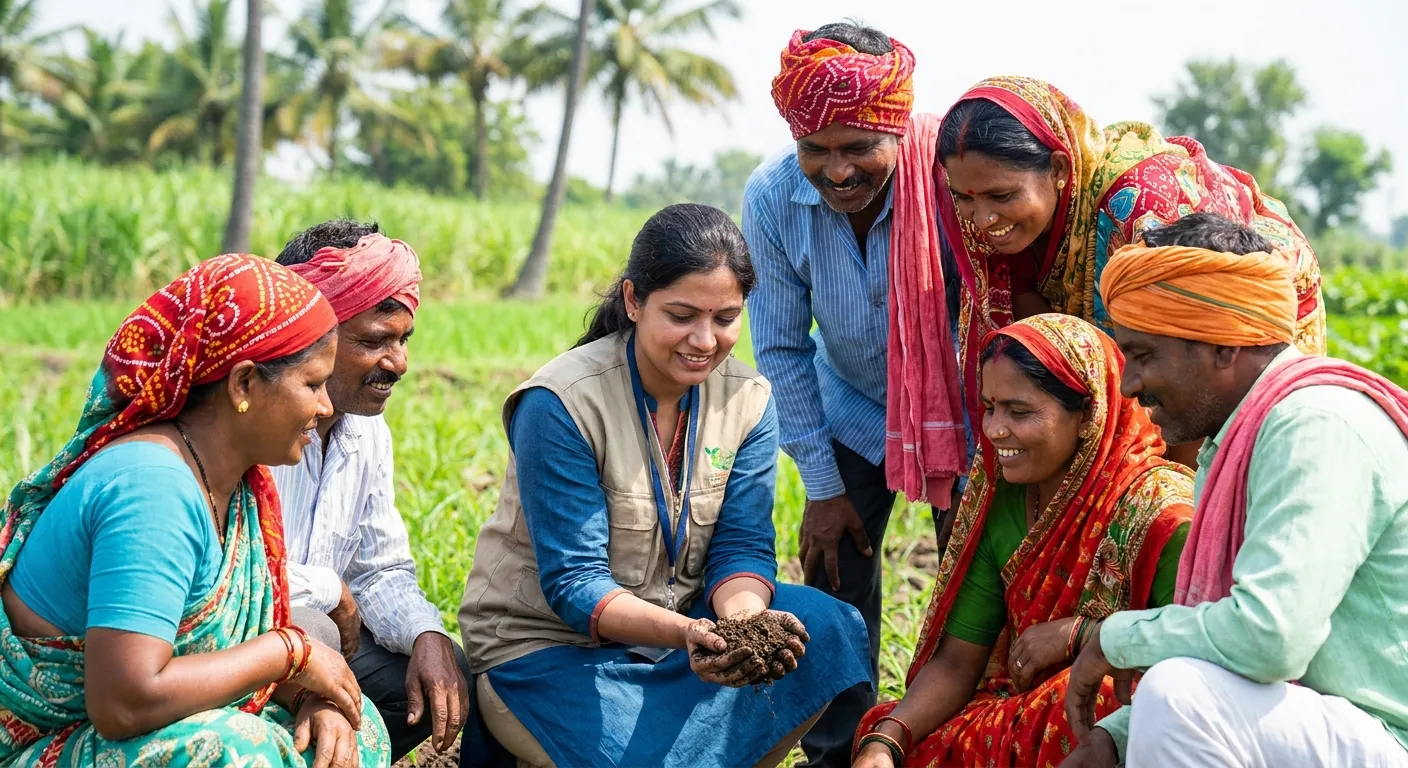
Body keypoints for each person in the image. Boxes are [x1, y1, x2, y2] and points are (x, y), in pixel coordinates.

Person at [457, 204, 871, 768]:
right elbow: (574, 582)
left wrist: (743, 622)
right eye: (681, 315)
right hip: (551, 650)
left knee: (826, 628)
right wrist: (689, 635)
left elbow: (742, 545)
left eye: (726, 318)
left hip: (680, 631)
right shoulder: (560, 403)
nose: (705, 340)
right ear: (633, 301)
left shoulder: (748, 400)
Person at [0, 254, 391, 767]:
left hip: (134, 723)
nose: (324, 407)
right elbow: (124, 701)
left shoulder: (237, 482)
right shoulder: (153, 489)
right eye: (313, 385)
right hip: (43, 742)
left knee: (353, 729)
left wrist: (307, 696)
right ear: (244, 384)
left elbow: (212, 657)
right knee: (235, 751)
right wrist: (288, 653)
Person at [1061, 227, 1408, 767]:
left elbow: (1270, 640)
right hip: (1343, 729)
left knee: (1177, 696)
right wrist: (1119, 737)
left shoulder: (1313, 427)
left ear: (1224, 345)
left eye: (1143, 354)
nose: (1128, 385)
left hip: (1390, 737)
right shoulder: (1248, 436)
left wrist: (1114, 637)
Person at [745, 22, 964, 764]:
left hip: (961, 414)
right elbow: (780, 345)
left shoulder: (952, 181)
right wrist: (823, 483)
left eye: (858, 147)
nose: (836, 171)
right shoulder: (774, 198)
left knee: (973, 583)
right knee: (835, 572)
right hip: (853, 407)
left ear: (897, 131)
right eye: (817, 149)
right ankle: (841, 748)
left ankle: (945, 742)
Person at [919, 75, 1327, 460]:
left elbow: (1187, 369)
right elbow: (1043, 355)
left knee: (1213, 459)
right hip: (1158, 341)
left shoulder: (1144, 207)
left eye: (1002, 195)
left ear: (1059, 170)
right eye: (966, 199)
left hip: (1234, 318)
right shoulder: (982, 220)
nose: (983, 218)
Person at [851, 314, 1193, 767]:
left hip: (1123, 724)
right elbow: (958, 662)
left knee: (1100, 698)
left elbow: (1198, 653)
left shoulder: (1162, 512)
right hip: (1017, 712)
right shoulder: (1007, 498)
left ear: (1088, 414)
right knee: (893, 730)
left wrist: (1085, 634)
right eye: (990, 407)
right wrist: (886, 741)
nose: (994, 430)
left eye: (1019, 411)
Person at [271, 220, 471, 762]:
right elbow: (234, 584)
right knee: (314, 631)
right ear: (310, 339)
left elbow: (380, 569)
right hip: (250, 642)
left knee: (444, 676)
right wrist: (329, 591)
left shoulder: (366, 430)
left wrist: (426, 634)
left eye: (403, 339)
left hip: (323, 642)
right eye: (373, 341)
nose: (399, 363)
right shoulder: (258, 426)